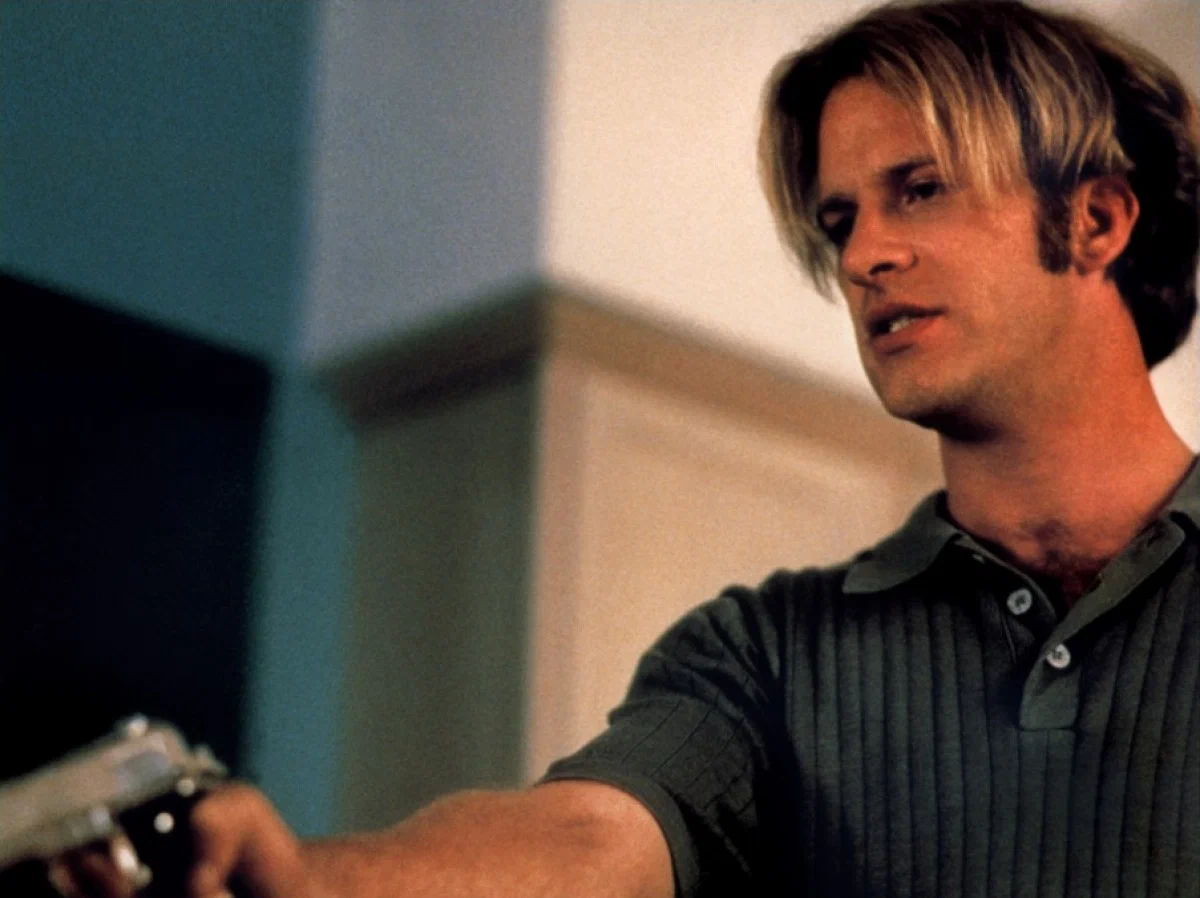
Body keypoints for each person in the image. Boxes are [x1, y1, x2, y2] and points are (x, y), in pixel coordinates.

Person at [62, 0, 1200, 895]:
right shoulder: (769, 651)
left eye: (920, 190)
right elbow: (584, 839)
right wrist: (309, 880)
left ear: (1096, 219)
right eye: (841, 219)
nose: (864, 257)